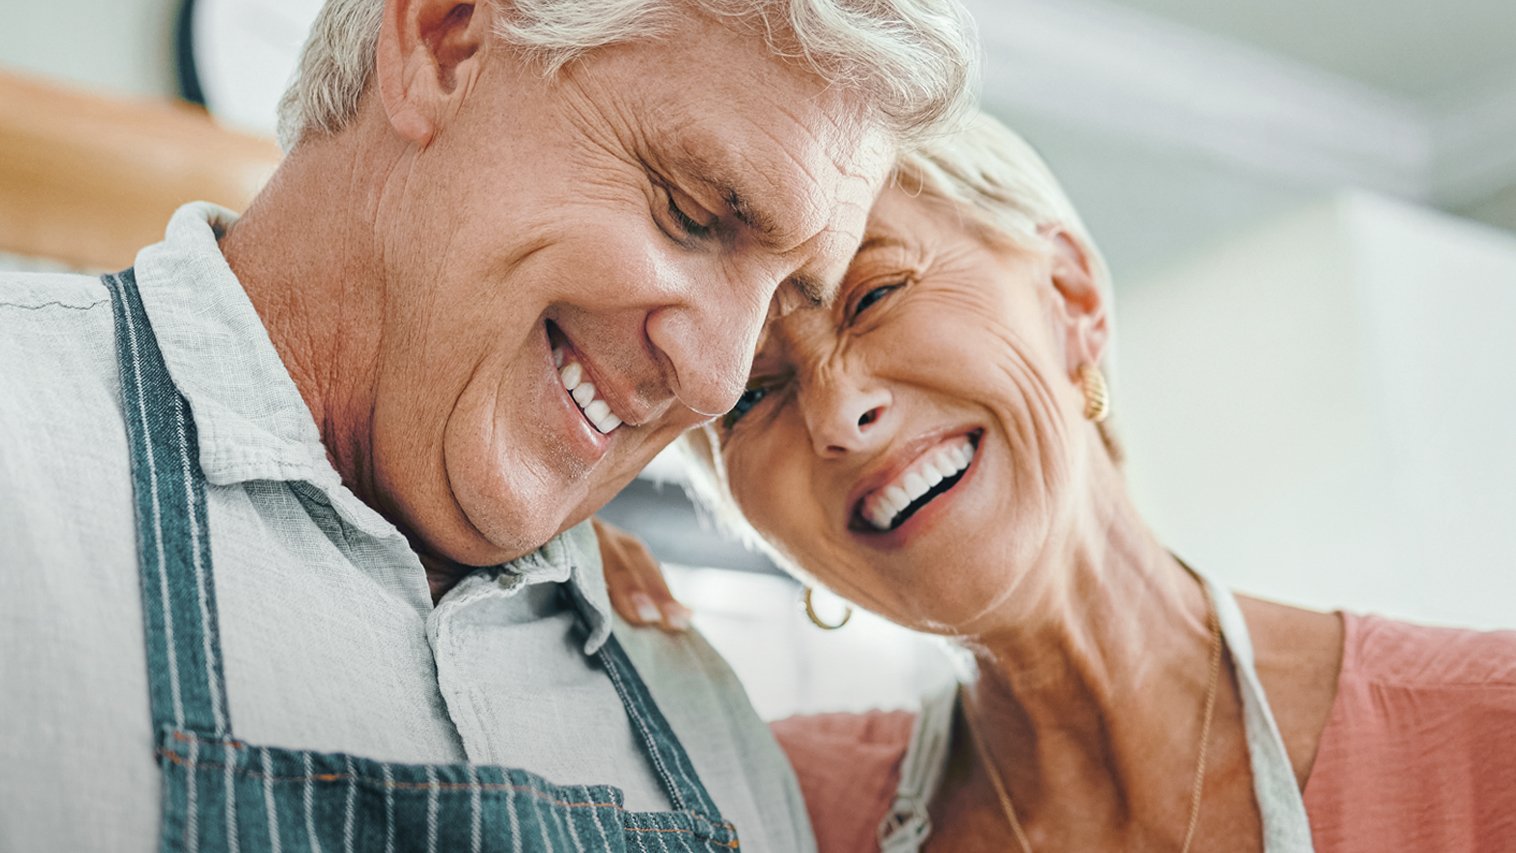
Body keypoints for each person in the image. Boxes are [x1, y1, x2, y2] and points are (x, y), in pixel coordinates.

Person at [0, 0, 980, 849]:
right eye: (689, 212)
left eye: (775, 310)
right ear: (444, 42)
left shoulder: (705, 721)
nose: (716, 380)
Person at [604, 111, 1516, 851]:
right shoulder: (762, 809)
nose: (838, 413)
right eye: (752, 395)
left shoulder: (1491, 727)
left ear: (1071, 298)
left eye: (875, 295)